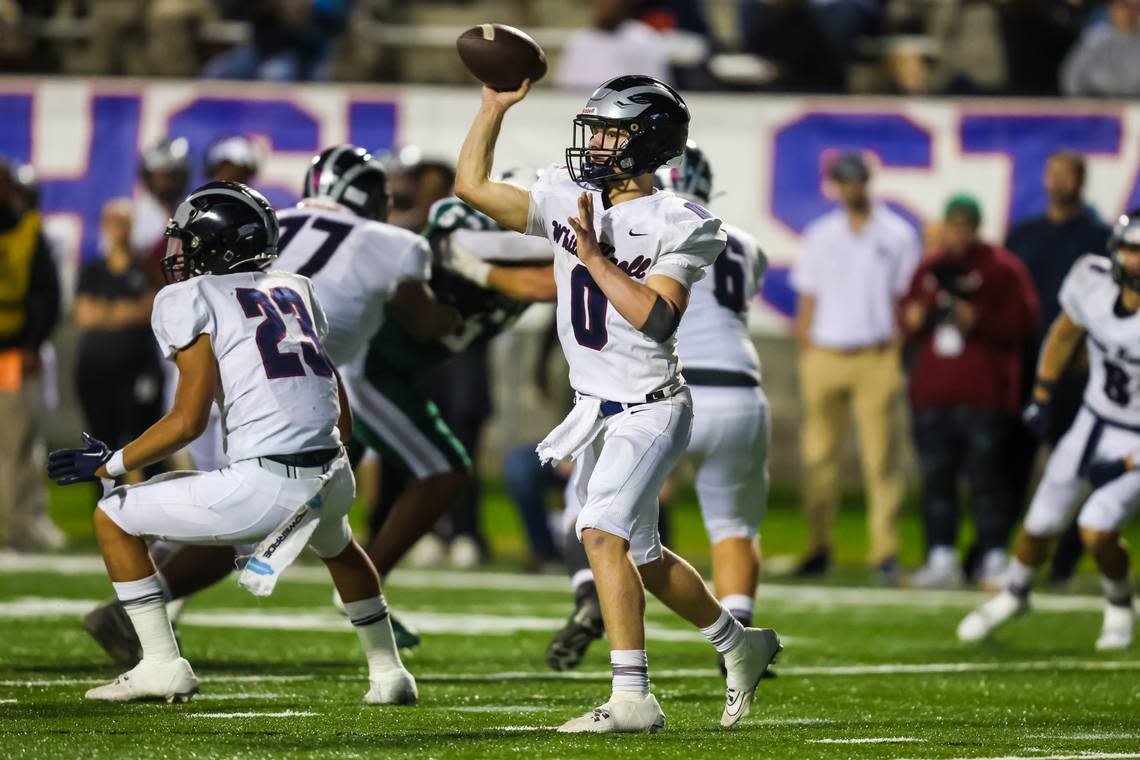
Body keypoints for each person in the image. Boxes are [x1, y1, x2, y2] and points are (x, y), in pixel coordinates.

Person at [453, 74, 780, 732]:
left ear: (647, 143)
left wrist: (595, 258)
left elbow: (657, 319)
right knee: (644, 555)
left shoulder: (683, 220)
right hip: (595, 408)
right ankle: (738, 642)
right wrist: (492, 110)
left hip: (651, 406)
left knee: (599, 532)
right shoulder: (570, 196)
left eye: (609, 131)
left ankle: (633, 696)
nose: (594, 143)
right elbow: (473, 189)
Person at [80, 145, 463, 665]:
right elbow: (416, 325)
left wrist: (114, 463)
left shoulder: (242, 247)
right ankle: (385, 667)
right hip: (296, 410)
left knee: (215, 515)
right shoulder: (327, 269)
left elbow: (190, 415)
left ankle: (153, 628)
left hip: (242, 395)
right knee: (293, 531)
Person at [957, 211, 1140, 651]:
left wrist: (1127, 463)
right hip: (1092, 420)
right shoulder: (1091, 281)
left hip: (1136, 437)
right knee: (1039, 523)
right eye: (1131, 250)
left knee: (1095, 527)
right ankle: (1016, 594)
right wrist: (1042, 393)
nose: (1135, 262)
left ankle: (1119, 604)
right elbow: (1063, 332)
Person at [790, 152, 921, 581]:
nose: (851, 189)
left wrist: (897, 348)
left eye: (856, 181)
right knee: (818, 457)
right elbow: (807, 298)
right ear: (836, 186)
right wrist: (806, 348)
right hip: (826, 353)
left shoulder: (897, 234)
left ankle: (884, 550)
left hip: (875, 354)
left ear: (867, 181)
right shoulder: (821, 234)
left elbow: (907, 299)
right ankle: (818, 544)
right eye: (843, 182)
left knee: (881, 458)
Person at [901, 195, 1039, 588]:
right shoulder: (928, 269)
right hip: (933, 392)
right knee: (937, 479)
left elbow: (1021, 325)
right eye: (953, 225)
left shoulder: (1001, 270)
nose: (958, 234)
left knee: (988, 480)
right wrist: (915, 318)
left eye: (965, 226)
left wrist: (978, 319)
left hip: (983, 394)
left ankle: (993, 557)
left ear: (977, 228)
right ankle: (940, 557)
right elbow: (907, 319)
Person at [1006, 150, 1111, 587]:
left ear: (1081, 181)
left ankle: (1064, 561)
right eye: (1052, 173)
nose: (1056, 182)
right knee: (1011, 462)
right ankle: (998, 552)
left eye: (1065, 175)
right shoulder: (1025, 233)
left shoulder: (1098, 236)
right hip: (1030, 363)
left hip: (1082, 374)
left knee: (1076, 471)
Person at [73, 199, 164, 481]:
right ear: (104, 226)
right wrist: (127, 310)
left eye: (123, 222)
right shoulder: (93, 270)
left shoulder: (145, 266)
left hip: (138, 368)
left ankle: (151, 514)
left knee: (147, 441)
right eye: (112, 221)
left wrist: (106, 311)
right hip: (96, 370)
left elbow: (151, 308)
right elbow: (84, 315)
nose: (118, 229)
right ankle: (106, 510)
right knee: (101, 442)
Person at [0, 158, 62, 551]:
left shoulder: (29, 232)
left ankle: (22, 522)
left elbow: (46, 294)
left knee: (17, 444)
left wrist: (30, 343)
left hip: (11, 353)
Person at [554, 0, 672, 90]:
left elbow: (655, 89)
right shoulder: (579, 41)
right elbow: (564, 87)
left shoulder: (644, 39)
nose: (606, 5)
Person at [1061, 0, 1140, 97]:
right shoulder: (1097, 37)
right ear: (1112, 10)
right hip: (1097, 102)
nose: (1126, 13)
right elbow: (1071, 76)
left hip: (1134, 103)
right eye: (1121, 8)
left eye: (1131, 9)